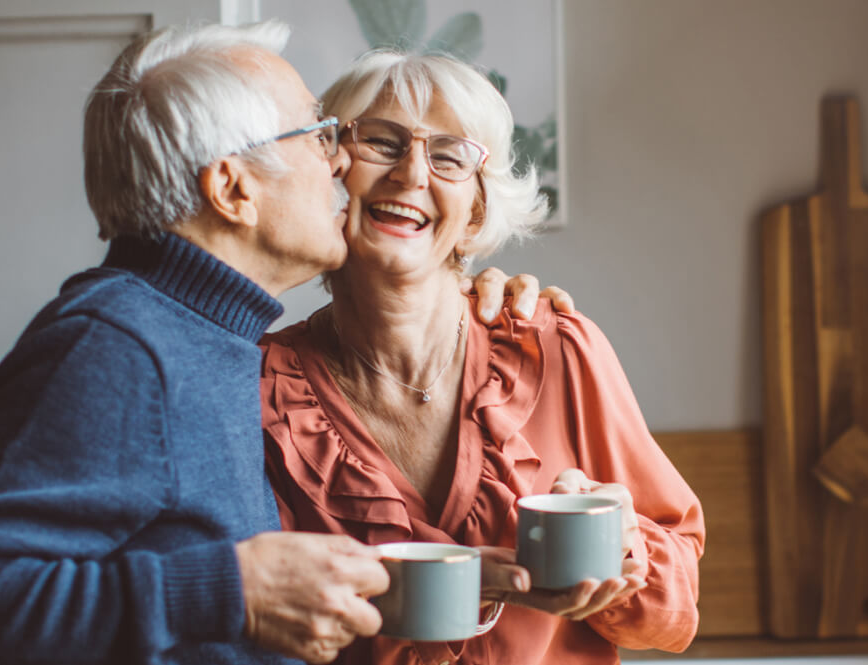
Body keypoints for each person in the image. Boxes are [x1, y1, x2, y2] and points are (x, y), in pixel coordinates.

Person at [0, 21, 564, 665]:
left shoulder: (209, 336)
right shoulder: (117, 348)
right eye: (318, 134)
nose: (339, 161)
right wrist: (233, 591)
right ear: (233, 189)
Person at [259, 49, 704, 665]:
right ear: (331, 175)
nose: (412, 174)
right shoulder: (259, 389)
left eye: (448, 156)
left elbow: (673, 611)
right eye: (382, 143)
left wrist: (629, 555)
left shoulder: (558, 346)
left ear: (475, 210)